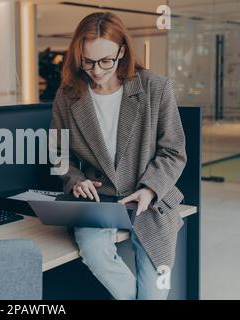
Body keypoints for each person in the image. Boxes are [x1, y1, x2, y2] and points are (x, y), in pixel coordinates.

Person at [50, 12, 187, 300]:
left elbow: (173, 151)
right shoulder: (68, 94)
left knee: (154, 293)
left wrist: (149, 190)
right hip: (97, 202)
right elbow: (57, 153)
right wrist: (75, 180)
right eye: (88, 61)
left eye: (105, 61)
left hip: (150, 202)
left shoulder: (155, 88)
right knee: (95, 253)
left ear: (122, 51)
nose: (97, 70)